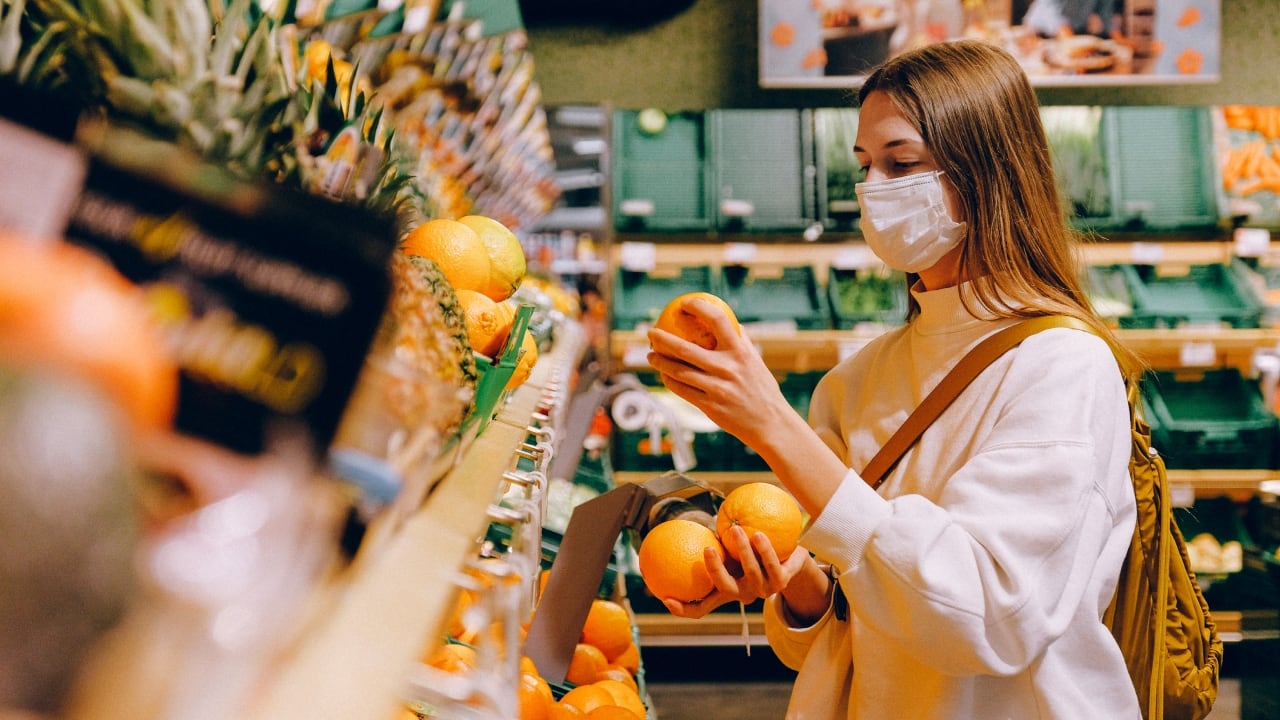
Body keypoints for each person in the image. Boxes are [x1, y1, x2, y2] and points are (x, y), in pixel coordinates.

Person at [646, 39, 1143, 719]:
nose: (874, 190)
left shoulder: (1063, 367)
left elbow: (986, 618)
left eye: (901, 163)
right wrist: (789, 579)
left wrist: (770, 422)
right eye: (865, 166)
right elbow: (845, 623)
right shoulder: (857, 380)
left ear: (987, 173)